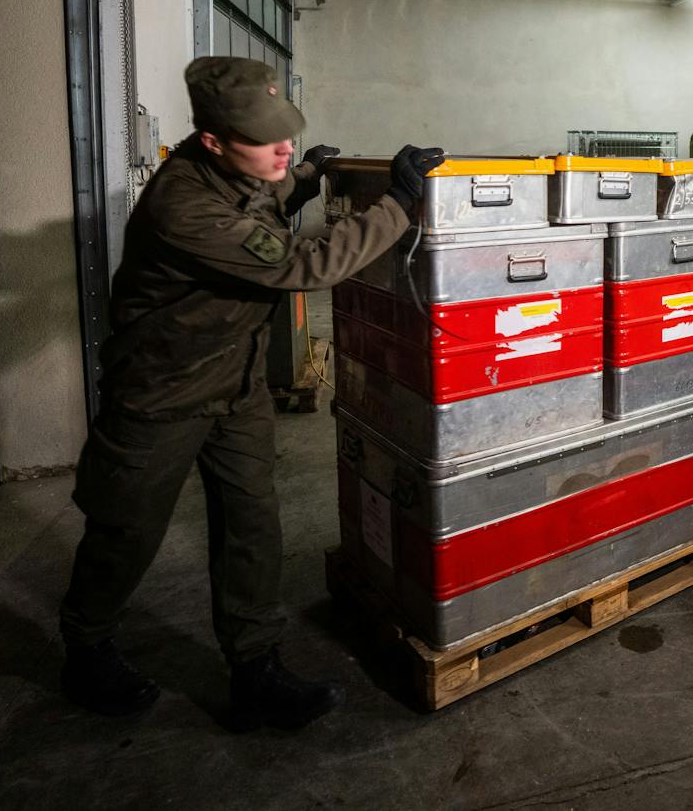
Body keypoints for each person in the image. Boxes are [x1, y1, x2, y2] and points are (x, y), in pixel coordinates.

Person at [58, 56, 444, 730]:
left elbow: (261, 203)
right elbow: (300, 263)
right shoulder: (182, 205)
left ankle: (255, 667)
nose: (284, 147)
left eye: (287, 135)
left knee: (252, 527)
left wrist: (301, 179)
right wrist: (396, 206)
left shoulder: (236, 170)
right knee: (126, 530)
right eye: (269, 143)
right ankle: (86, 645)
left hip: (236, 383)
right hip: (163, 393)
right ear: (211, 141)